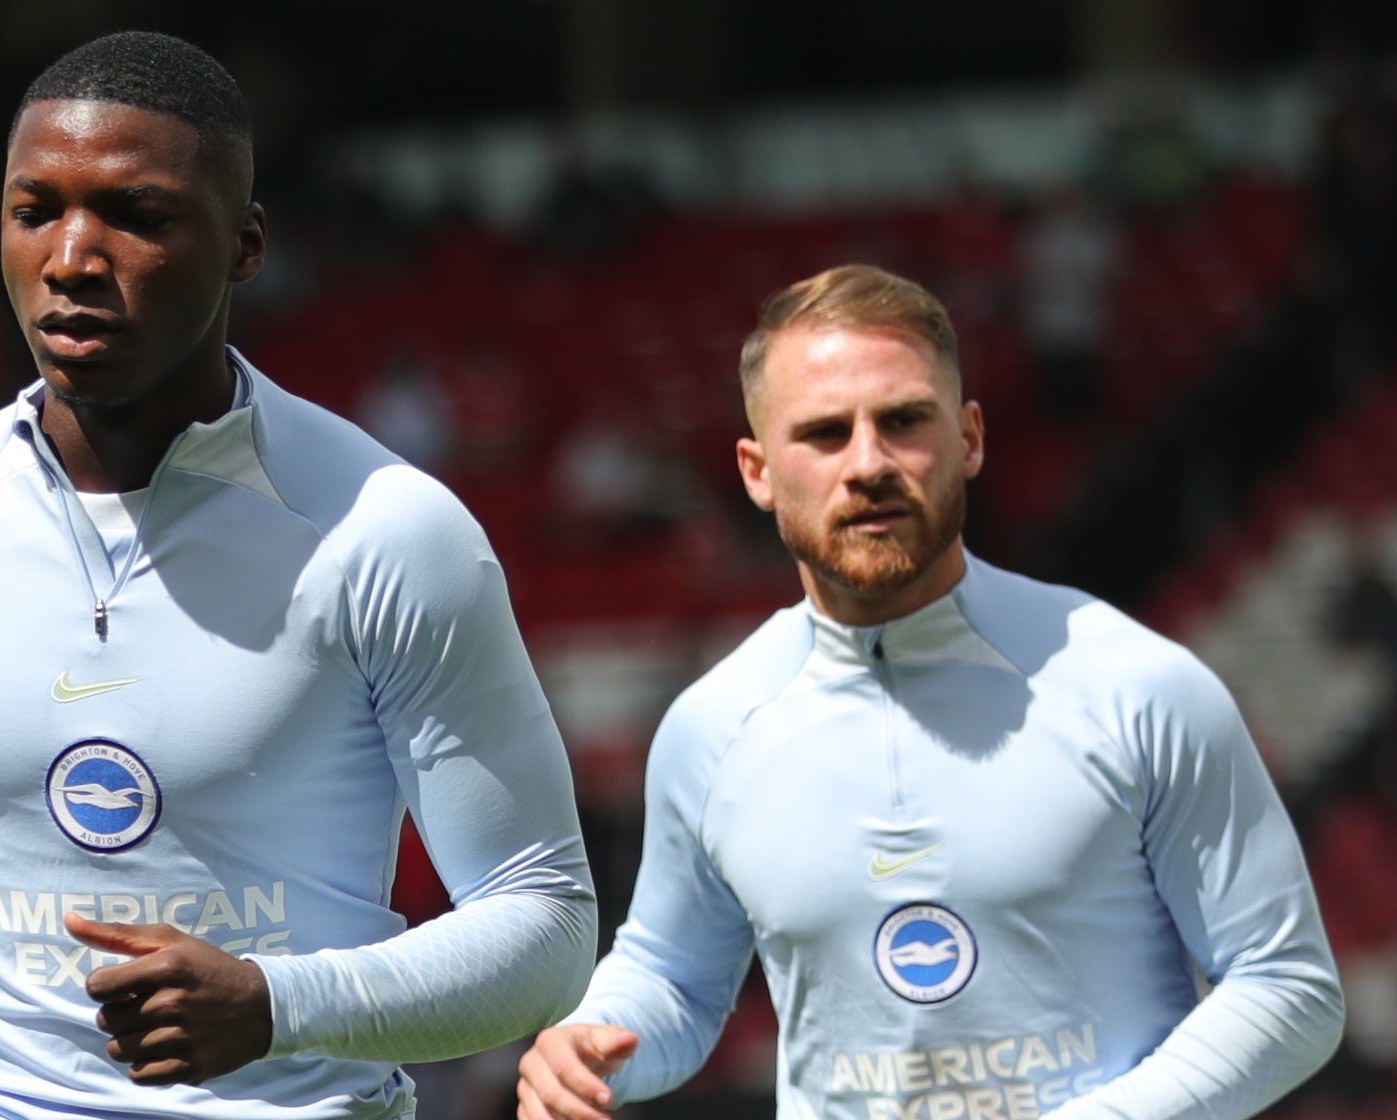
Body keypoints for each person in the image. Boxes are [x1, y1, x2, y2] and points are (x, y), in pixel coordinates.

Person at [0, 30, 596, 1120]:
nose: (72, 257)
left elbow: (546, 923)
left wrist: (279, 1005)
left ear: (245, 244)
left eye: (137, 215)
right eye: (34, 211)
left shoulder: (387, 534)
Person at [517, 264, 1344, 1120]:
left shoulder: (1138, 688)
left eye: (903, 421)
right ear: (756, 471)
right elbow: (673, 976)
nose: (867, 463)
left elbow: (1286, 986)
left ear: (969, 438)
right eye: (825, 433)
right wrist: (592, 1041)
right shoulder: (712, 728)